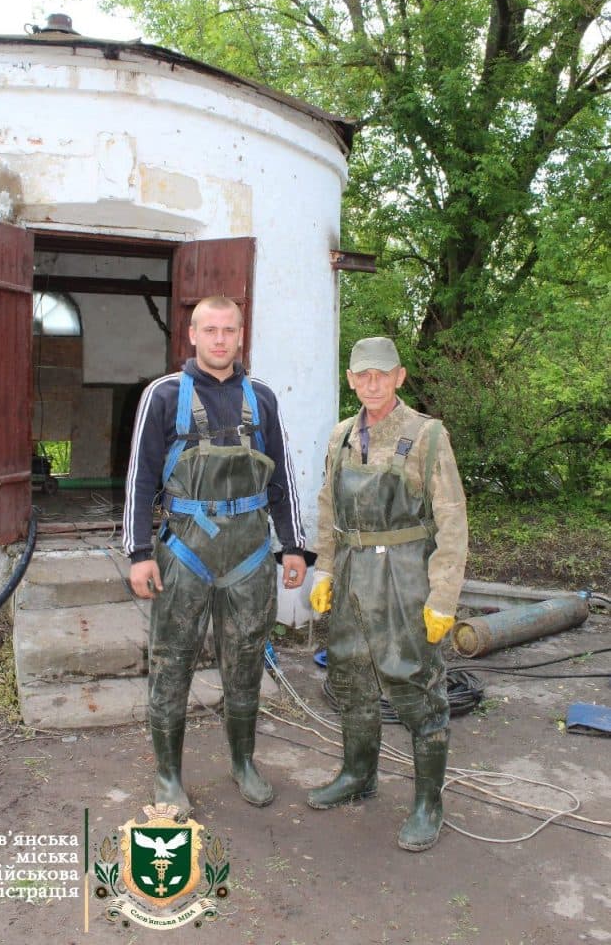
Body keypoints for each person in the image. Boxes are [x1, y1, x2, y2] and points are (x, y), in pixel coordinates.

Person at [123, 296, 306, 815]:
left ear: (241, 335)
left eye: (229, 330)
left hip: (250, 552)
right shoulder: (163, 395)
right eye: (211, 330)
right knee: (172, 661)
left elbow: (283, 477)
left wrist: (293, 546)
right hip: (185, 550)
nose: (220, 339)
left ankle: (244, 763)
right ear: (193, 336)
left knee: (246, 661)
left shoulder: (262, 397)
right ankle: (168, 778)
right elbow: (139, 476)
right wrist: (139, 552)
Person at [308, 336, 467, 851]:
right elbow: (329, 507)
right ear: (351, 380)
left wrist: (442, 598)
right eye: (362, 375)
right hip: (353, 571)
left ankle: (428, 802)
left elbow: (452, 522)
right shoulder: (340, 436)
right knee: (351, 678)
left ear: (399, 377)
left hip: (404, 576)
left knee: (416, 686)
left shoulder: (427, 436)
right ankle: (359, 774)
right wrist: (324, 571)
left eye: (382, 374)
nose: (371, 383)